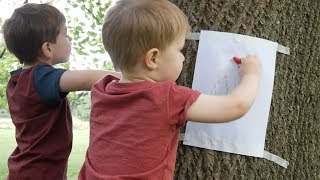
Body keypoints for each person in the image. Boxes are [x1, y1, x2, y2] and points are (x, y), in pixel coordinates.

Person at [79, 0, 261, 179]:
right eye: (179, 49)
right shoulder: (165, 97)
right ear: (153, 58)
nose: (183, 58)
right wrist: (251, 74)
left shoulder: (101, 92)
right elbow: (235, 106)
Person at [2, 3, 120, 180]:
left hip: (28, 170)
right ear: (47, 48)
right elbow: (88, 79)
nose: (70, 39)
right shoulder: (40, 78)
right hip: (39, 174)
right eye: (65, 35)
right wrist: (130, 76)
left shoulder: (18, 81)